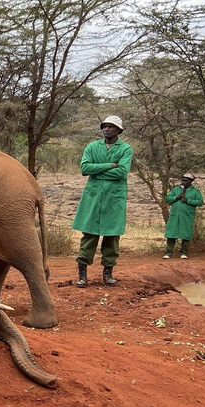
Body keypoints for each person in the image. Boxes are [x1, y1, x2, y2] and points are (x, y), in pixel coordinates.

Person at [72, 115, 133, 287]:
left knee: (111, 236)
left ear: (118, 130)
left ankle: (108, 273)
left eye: (111, 126)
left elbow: (122, 173)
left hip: (114, 198)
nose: (107, 129)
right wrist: (109, 165)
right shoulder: (92, 147)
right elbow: (85, 168)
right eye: (104, 126)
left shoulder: (126, 149)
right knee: (89, 235)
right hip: (94, 197)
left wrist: (96, 171)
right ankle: (82, 274)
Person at [163, 173, 203, 259]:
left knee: (186, 234)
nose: (183, 182)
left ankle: (184, 253)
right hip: (175, 215)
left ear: (191, 181)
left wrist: (188, 200)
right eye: (183, 180)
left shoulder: (195, 191)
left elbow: (200, 202)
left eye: (186, 181)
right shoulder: (176, 189)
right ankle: (168, 253)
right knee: (171, 233)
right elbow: (167, 198)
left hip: (187, 216)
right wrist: (176, 197)